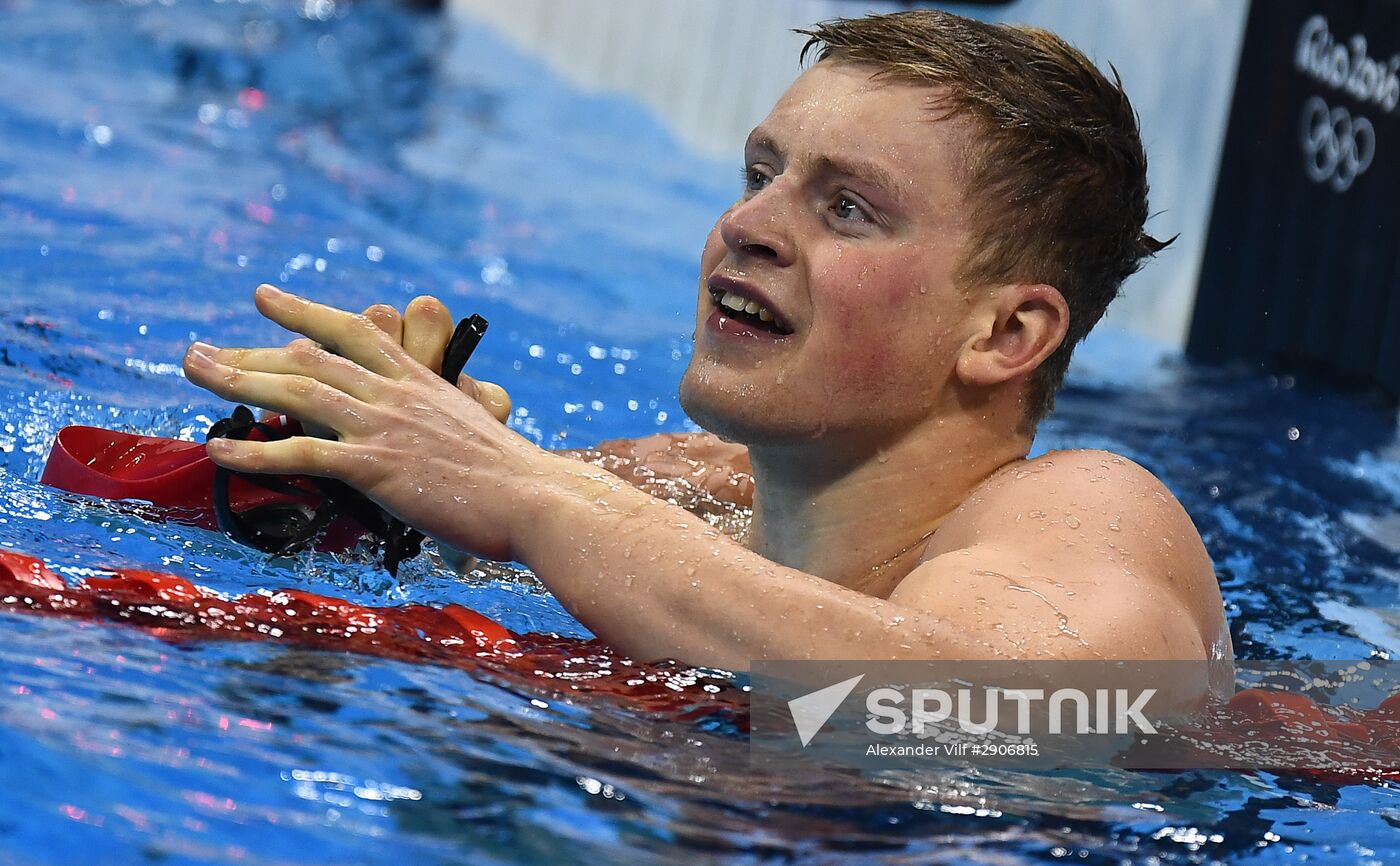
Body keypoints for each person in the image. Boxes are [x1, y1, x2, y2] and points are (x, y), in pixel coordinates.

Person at [181, 10, 1230, 671]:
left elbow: (1029, 718)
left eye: (848, 207)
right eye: (759, 173)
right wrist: (379, 485)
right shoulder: (691, 492)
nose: (748, 224)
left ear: (1005, 331)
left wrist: (526, 496)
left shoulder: (1083, 516)